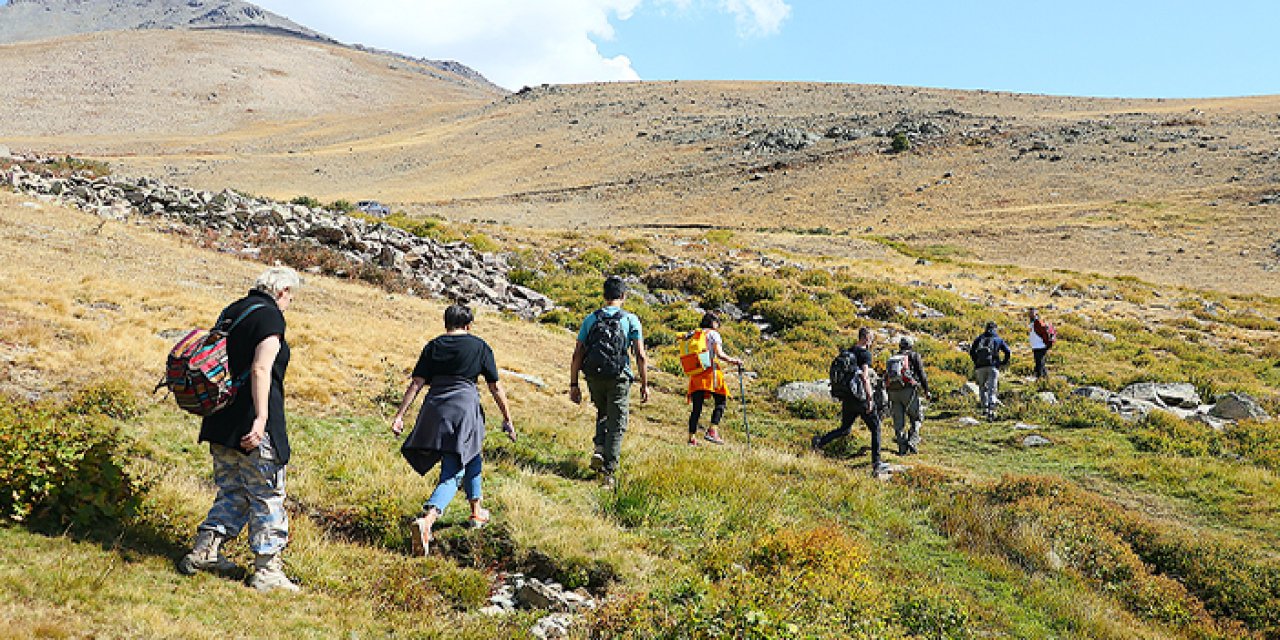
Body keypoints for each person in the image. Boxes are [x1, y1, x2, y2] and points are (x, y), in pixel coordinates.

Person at [179, 266, 302, 592]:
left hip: (220, 419)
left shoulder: (232, 311)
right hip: (252, 424)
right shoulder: (271, 318)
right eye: (291, 296)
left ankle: (204, 550)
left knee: (232, 490)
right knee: (267, 495)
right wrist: (261, 420)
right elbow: (261, 368)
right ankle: (266, 570)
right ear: (282, 291)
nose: (290, 302)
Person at [391, 304, 515, 556]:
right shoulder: (479, 346)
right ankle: (428, 520)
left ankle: (476, 511)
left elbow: (416, 384)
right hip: (464, 408)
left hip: (435, 408)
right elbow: (495, 386)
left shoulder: (433, 346)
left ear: (446, 323)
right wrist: (507, 418)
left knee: (471, 454)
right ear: (469, 325)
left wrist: (400, 416)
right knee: (454, 467)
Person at [569, 275, 649, 487]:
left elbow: (578, 353)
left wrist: (574, 384)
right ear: (623, 296)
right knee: (617, 423)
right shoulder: (631, 320)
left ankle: (599, 450)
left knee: (602, 412)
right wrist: (644, 384)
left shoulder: (591, 319)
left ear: (604, 296)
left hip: (594, 376)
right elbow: (640, 355)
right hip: (619, 376)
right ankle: (608, 473)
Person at [812, 327, 889, 477]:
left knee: (845, 428)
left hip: (847, 397)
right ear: (866, 338)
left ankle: (820, 442)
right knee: (876, 427)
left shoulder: (849, 351)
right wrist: (869, 399)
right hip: (859, 397)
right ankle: (877, 464)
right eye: (871, 337)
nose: (872, 340)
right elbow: (865, 377)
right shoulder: (865, 354)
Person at [685, 312, 744, 446]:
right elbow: (719, 354)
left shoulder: (693, 333)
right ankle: (712, 431)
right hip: (710, 372)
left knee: (697, 408)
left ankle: (691, 438)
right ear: (713, 323)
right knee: (721, 401)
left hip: (695, 373)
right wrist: (734, 361)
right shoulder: (713, 334)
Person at [886, 336, 931, 455]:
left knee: (898, 422)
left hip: (893, 392)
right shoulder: (914, 356)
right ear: (910, 345)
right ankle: (913, 440)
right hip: (908, 391)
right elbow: (921, 374)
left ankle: (902, 448)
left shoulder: (893, 358)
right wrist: (926, 390)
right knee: (917, 417)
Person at [969, 321, 1012, 420]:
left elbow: (972, 351)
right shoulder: (998, 339)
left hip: (980, 367)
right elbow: (1007, 351)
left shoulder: (979, 339)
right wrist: (1002, 362)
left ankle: (984, 408)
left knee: (982, 387)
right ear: (995, 329)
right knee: (992, 388)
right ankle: (991, 409)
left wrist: (976, 361)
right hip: (993, 366)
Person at [1028, 308, 1053, 379]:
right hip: (1036, 346)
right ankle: (1045, 379)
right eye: (1030, 313)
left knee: (1040, 365)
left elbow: (1044, 333)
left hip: (1040, 346)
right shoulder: (1033, 323)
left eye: (1032, 313)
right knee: (1040, 364)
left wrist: (1046, 344)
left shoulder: (1038, 322)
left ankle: (1041, 380)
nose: (1030, 315)